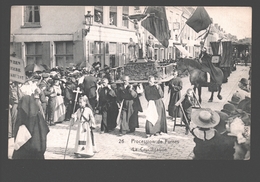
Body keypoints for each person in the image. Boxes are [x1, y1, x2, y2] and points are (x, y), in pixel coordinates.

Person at [12, 88, 50, 159]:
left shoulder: (23, 115)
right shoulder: (38, 115)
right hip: (38, 147)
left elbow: (17, 132)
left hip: (24, 149)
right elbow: (46, 129)